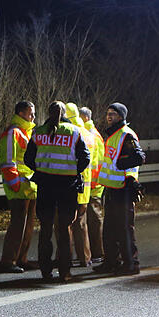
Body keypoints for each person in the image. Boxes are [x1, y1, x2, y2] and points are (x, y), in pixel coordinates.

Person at [24, 101, 90, 282]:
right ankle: (64, 271)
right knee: (64, 229)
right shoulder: (74, 132)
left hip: (45, 185)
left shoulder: (38, 132)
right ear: (64, 113)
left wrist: (41, 169)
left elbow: (28, 158)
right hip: (66, 186)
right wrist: (72, 171)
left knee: (45, 229)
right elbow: (85, 158)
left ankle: (46, 270)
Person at [93, 102, 146, 276]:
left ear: (121, 117)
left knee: (124, 228)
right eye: (108, 113)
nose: (109, 116)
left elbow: (139, 156)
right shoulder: (113, 135)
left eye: (113, 114)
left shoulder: (126, 135)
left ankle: (131, 264)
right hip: (112, 188)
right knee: (109, 229)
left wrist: (122, 163)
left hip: (123, 188)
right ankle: (111, 262)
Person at [0, 100, 36, 272]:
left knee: (28, 225)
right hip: (20, 185)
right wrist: (15, 184)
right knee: (18, 224)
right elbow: (8, 161)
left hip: (29, 186)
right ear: (21, 113)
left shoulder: (26, 133)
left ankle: (21, 258)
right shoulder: (13, 132)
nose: (33, 116)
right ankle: (9, 260)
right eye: (30, 113)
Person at [64, 102, 92, 267]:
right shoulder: (87, 133)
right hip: (86, 186)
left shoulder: (69, 133)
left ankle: (65, 257)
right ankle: (85, 258)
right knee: (82, 224)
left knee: (66, 222)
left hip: (70, 185)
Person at [79, 106, 105, 266]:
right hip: (91, 184)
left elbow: (98, 162)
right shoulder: (90, 134)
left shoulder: (92, 135)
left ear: (85, 118)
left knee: (95, 219)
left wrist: (93, 184)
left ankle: (99, 253)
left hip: (94, 186)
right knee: (90, 221)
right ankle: (95, 253)